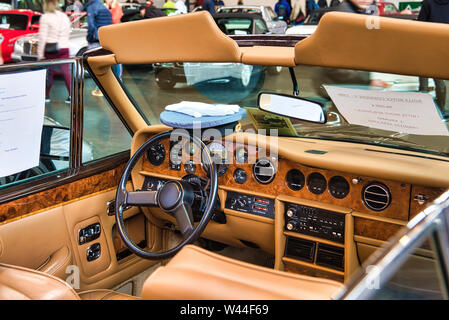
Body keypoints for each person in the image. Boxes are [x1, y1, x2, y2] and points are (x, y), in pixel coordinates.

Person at [417, 0, 449, 113]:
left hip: (427, 45)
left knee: (424, 82)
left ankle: (421, 110)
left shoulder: (428, 3)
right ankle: (442, 109)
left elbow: (419, 26)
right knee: (441, 82)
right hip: (444, 47)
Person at [38, 0, 72, 104]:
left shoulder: (45, 17)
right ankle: (71, 95)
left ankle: (46, 96)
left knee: (49, 72)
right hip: (64, 47)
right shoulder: (64, 16)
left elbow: (42, 37)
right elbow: (67, 32)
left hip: (50, 49)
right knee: (66, 72)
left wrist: (40, 54)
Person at [86, 0, 120, 96]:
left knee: (97, 65)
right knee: (109, 63)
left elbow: (91, 25)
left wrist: (89, 38)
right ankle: (115, 86)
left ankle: (100, 89)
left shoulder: (91, 7)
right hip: (107, 37)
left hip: (97, 39)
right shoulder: (103, 7)